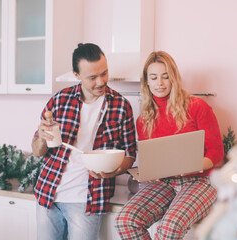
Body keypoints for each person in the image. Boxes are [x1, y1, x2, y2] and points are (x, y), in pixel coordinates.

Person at [31, 43, 136, 240]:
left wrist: (116, 170)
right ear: (76, 75)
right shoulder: (59, 100)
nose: (100, 81)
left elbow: (130, 154)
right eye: (92, 77)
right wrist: (42, 136)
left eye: (104, 74)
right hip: (48, 194)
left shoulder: (121, 106)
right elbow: (37, 151)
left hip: (87, 200)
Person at [115, 51, 224, 239]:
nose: (160, 83)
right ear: (146, 81)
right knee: (125, 220)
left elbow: (217, 153)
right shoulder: (144, 120)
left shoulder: (197, 106)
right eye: (154, 77)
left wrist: (191, 166)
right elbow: (153, 158)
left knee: (171, 225)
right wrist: (147, 172)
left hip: (199, 182)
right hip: (163, 183)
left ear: (173, 78)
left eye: (165, 76)